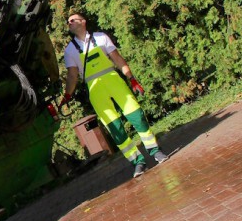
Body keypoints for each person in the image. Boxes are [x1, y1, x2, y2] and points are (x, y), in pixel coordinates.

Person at [61, 13, 169, 178]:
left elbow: (118, 59)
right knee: (115, 129)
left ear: (83, 22)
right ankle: (137, 161)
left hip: (114, 81)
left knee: (137, 116)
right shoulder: (69, 50)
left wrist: (132, 79)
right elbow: (72, 75)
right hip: (95, 90)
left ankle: (155, 151)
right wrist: (67, 96)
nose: (69, 23)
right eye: (67, 22)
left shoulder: (100, 38)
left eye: (72, 20)